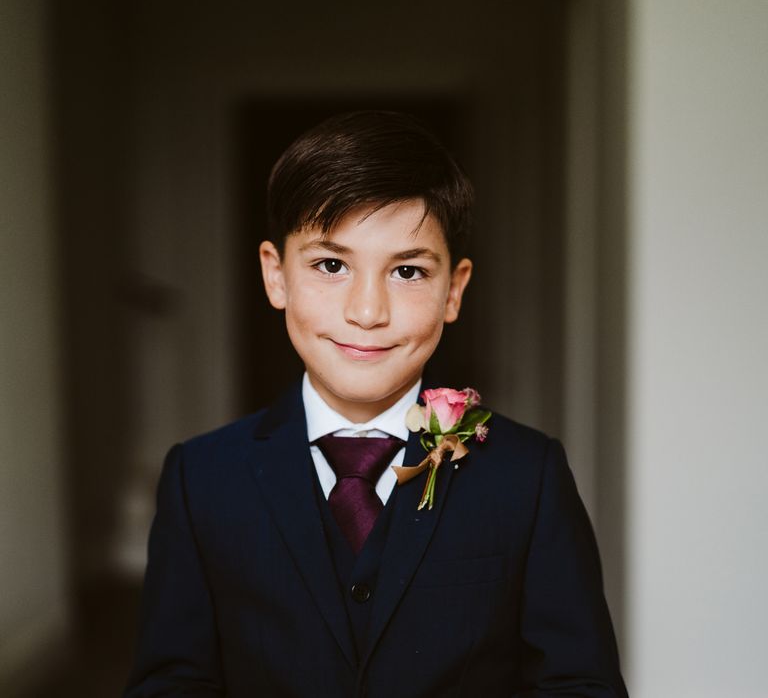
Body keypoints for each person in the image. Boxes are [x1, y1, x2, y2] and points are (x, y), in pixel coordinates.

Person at [125, 111, 628, 697]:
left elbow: (578, 684)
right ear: (276, 275)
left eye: (408, 271)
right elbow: (171, 682)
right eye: (331, 265)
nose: (368, 312)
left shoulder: (527, 475)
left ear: (454, 291)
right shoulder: (200, 478)